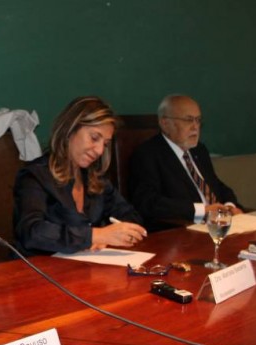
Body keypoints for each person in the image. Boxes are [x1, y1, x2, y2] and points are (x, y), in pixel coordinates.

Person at [13, 96, 146, 256]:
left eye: (104, 144)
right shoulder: (35, 176)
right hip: (39, 271)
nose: (99, 151)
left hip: (85, 269)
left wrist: (122, 231)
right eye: (94, 138)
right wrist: (95, 235)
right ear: (70, 130)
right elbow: (32, 232)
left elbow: (130, 215)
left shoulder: (95, 179)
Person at [128, 94, 243, 232]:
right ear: (165, 123)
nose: (195, 127)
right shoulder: (148, 154)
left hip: (218, 224)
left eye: (198, 120)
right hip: (185, 230)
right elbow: (149, 202)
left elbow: (216, 185)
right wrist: (202, 210)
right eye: (188, 120)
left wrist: (229, 206)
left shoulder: (199, 150)